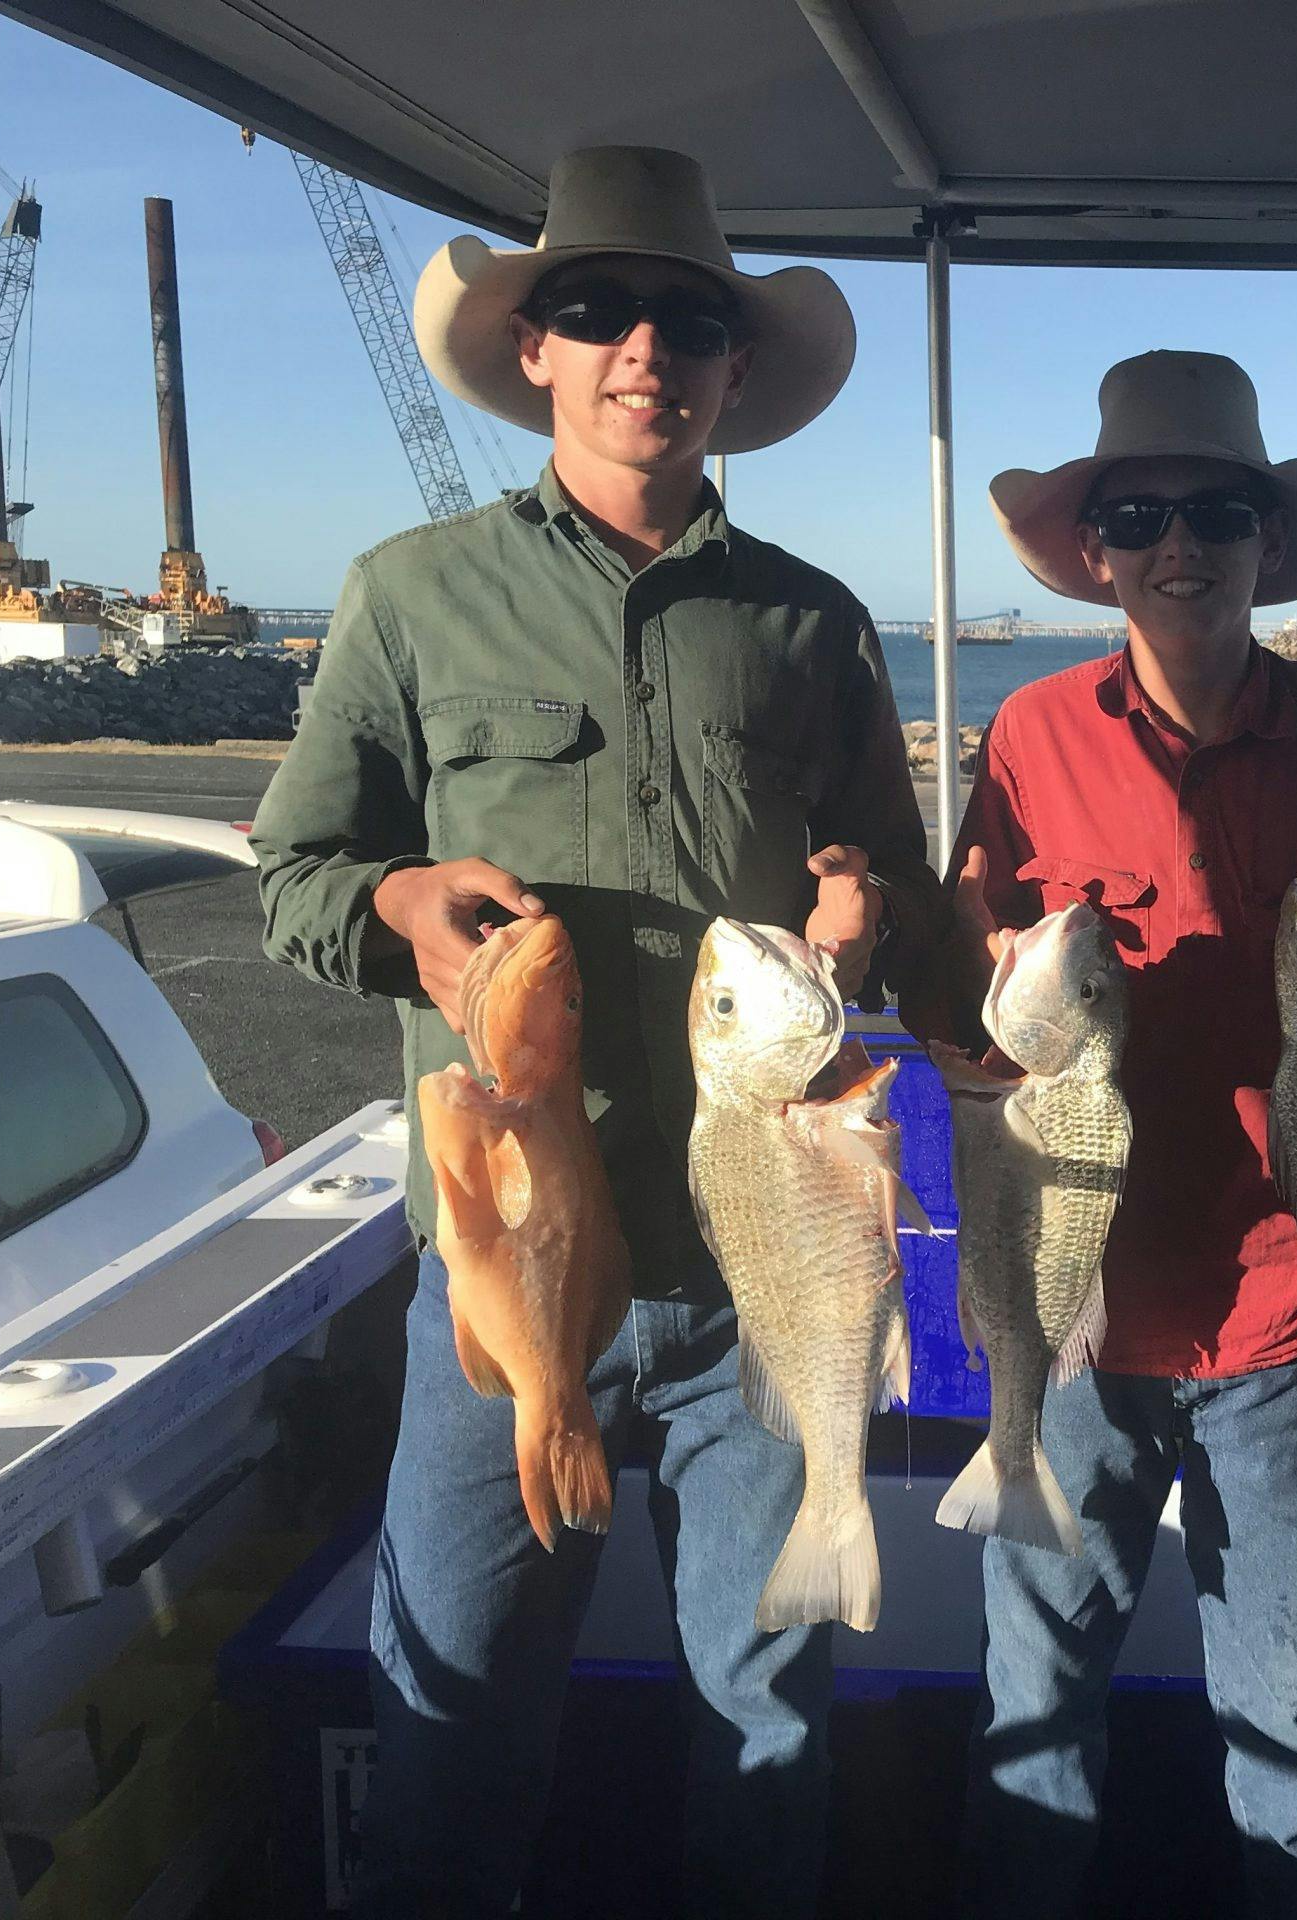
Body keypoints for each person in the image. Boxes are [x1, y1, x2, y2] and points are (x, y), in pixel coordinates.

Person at [249, 146, 941, 1919]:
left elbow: (907, 906)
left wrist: (870, 925)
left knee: (767, 1739)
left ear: (731, 370)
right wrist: (403, 913)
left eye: (691, 318)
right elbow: (298, 879)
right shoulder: (408, 593)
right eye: (598, 310)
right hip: (494, 1285)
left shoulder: (811, 621)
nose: (648, 346)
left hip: (749, 1274)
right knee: (450, 1731)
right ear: (537, 350)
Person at [918, 350, 1297, 1917]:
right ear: (1099, 545)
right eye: (1142, 512)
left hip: (1285, 1311)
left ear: (1266, 543)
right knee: (1032, 1710)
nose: (1182, 542)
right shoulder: (1031, 735)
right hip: (1079, 1307)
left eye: (1219, 511)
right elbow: (980, 988)